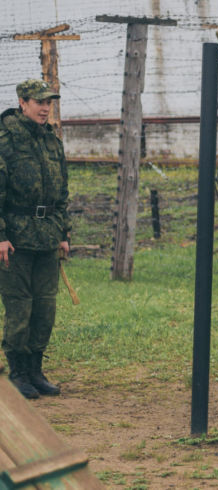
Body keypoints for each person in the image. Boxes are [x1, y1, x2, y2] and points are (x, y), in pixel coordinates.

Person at [0, 79, 71, 399]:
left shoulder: (52, 142)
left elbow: (62, 191)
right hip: (15, 238)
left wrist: (63, 233)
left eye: (49, 103)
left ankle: (35, 370)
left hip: (47, 236)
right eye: (39, 102)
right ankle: (17, 372)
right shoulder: (6, 140)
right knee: (20, 308)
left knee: (45, 308)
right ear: (22, 102)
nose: (45, 108)